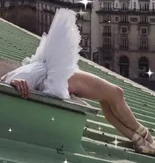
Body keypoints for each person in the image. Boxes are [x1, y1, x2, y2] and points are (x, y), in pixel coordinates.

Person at [1, 8, 155, 155]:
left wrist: (12, 81)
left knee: (107, 99)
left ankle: (139, 140)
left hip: (45, 70)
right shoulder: (13, 81)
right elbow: (8, 86)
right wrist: (15, 83)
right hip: (50, 73)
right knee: (116, 93)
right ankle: (146, 136)